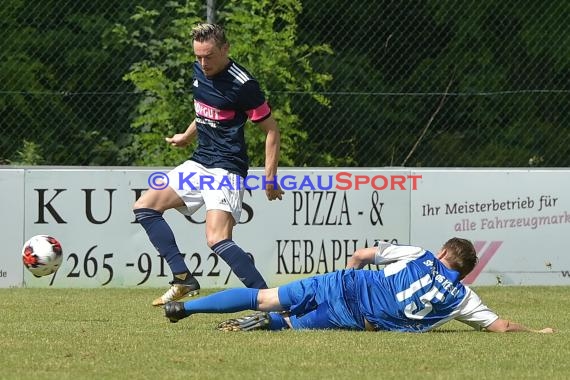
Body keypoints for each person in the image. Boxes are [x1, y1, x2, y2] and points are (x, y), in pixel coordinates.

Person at [134, 23, 284, 306]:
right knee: (145, 207)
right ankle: (183, 278)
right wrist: (186, 137)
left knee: (217, 239)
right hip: (200, 161)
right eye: (199, 56)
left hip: (226, 167)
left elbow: (272, 130)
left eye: (209, 56)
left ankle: (271, 302)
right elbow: (205, 111)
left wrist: (270, 179)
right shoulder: (198, 70)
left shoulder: (244, 85)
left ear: (225, 49)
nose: (203, 63)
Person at [164, 238, 554, 333]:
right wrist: (536, 331)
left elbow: (363, 255)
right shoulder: (461, 296)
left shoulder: (419, 254)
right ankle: (274, 323)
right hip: (357, 317)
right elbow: (501, 328)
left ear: (442, 252)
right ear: (465, 271)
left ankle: (184, 308)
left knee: (266, 297)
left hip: (343, 283)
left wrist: (343, 275)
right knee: (292, 324)